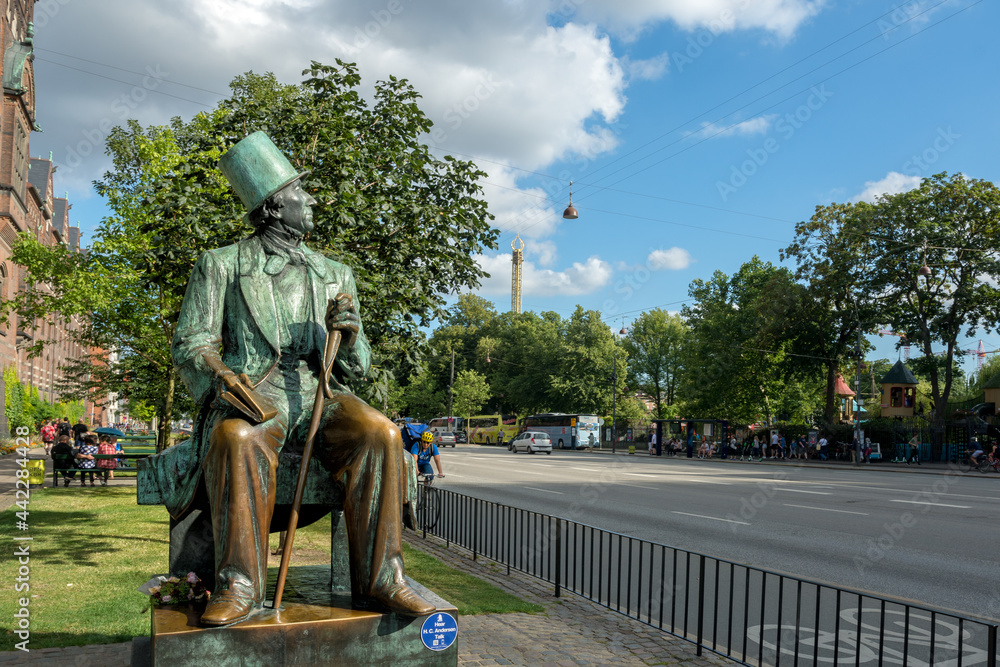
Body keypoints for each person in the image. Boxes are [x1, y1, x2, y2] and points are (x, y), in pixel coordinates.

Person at [148, 132, 435, 626]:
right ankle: (240, 585)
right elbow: (191, 342)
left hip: (323, 394)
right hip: (257, 390)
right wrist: (222, 378)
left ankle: (384, 578)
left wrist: (350, 333)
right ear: (276, 206)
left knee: (381, 432)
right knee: (236, 437)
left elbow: (358, 368)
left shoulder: (336, 273)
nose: (314, 199)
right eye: (303, 191)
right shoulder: (222, 265)